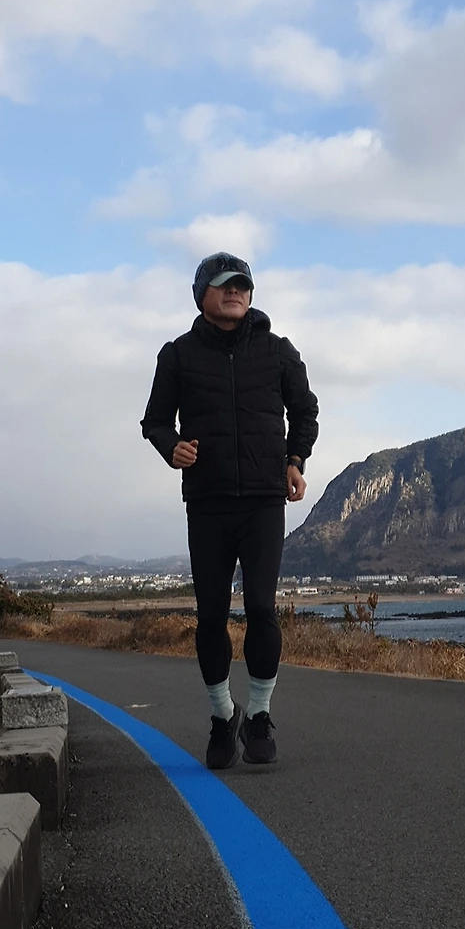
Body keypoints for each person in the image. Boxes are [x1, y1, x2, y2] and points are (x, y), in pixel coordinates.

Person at [141, 251, 319, 769]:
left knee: (262, 608)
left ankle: (259, 714)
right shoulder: (178, 355)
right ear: (202, 295)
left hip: (264, 500)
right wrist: (171, 447)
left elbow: (305, 410)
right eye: (224, 284)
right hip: (208, 502)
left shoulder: (278, 351)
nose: (235, 291)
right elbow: (155, 422)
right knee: (212, 615)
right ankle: (223, 715)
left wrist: (295, 460)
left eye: (242, 283)